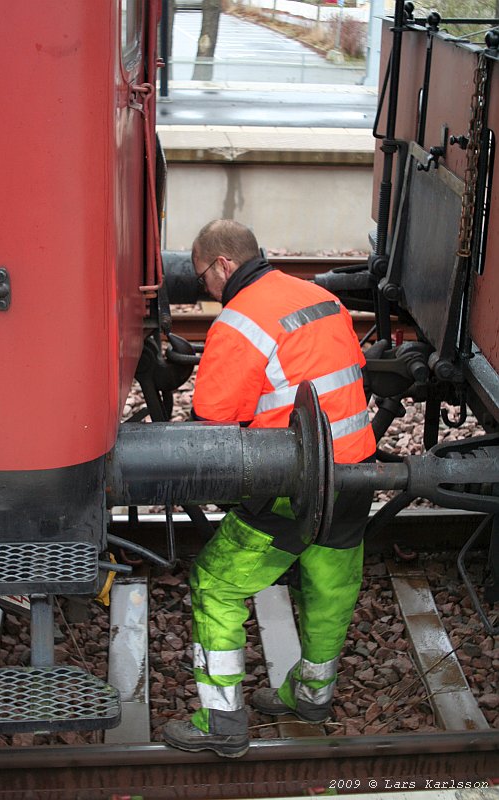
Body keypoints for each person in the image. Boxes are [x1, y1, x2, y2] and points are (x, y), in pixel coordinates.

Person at [162, 219, 376, 758]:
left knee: (217, 585)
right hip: (355, 470)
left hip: (292, 479)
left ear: (223, 266)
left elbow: (215, 414)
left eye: (203, 278)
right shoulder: (319, 297)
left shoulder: (239, 320)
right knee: (330, 585)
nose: (206, 290)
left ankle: (221, 724)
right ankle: (310, 696)